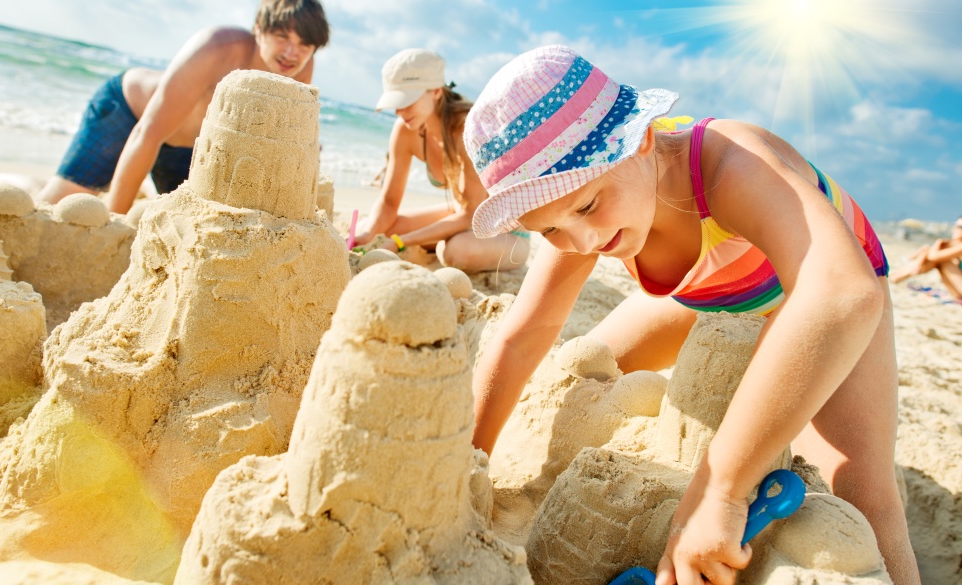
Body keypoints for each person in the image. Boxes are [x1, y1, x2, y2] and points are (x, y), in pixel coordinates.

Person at [462, 45, 920, 585]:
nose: (582, 241)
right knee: (584, 377)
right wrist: (469, 461)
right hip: (723, 292)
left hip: (822, 293)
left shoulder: (731, 165)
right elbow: (526, 334)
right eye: (550, 230)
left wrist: (720, 490)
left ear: (642, 139)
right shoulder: (583, 207)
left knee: (859, 493)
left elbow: (841, 293)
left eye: (587, 206)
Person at [36, 0, 329, 215]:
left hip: (190, 149)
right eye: (282, 37)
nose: (292, 53)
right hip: (131, 115)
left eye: (305, 44)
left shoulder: (300, 71)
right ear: (258, 29)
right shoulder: (218, 46)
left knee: (188, 218)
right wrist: (117, 223)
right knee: (61, 204)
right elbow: (147, 134)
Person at [353, 48, 530, 273]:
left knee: (456, 251)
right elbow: (389, 202)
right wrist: (368, 235)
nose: (399, 110)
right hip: (458, 215)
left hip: (504, 230)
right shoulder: (406, 129)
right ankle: (435, 243)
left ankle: (441, 246)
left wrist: (401, 242)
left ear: (436, 91)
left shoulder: (468, 129)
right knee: (378, 230)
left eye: (407, 101)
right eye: (396, 102)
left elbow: (471, 215)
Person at [889, 216, 962, 299]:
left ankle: (893, 278)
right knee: (931, 253)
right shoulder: (956, 244)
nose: (954, 229)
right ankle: (893, 278)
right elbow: (929, 252)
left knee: (942, 261)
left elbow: (934, 257)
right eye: (955, 225)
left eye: (960, 227)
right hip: (957, 291)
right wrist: (921, 258)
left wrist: (939, 242)